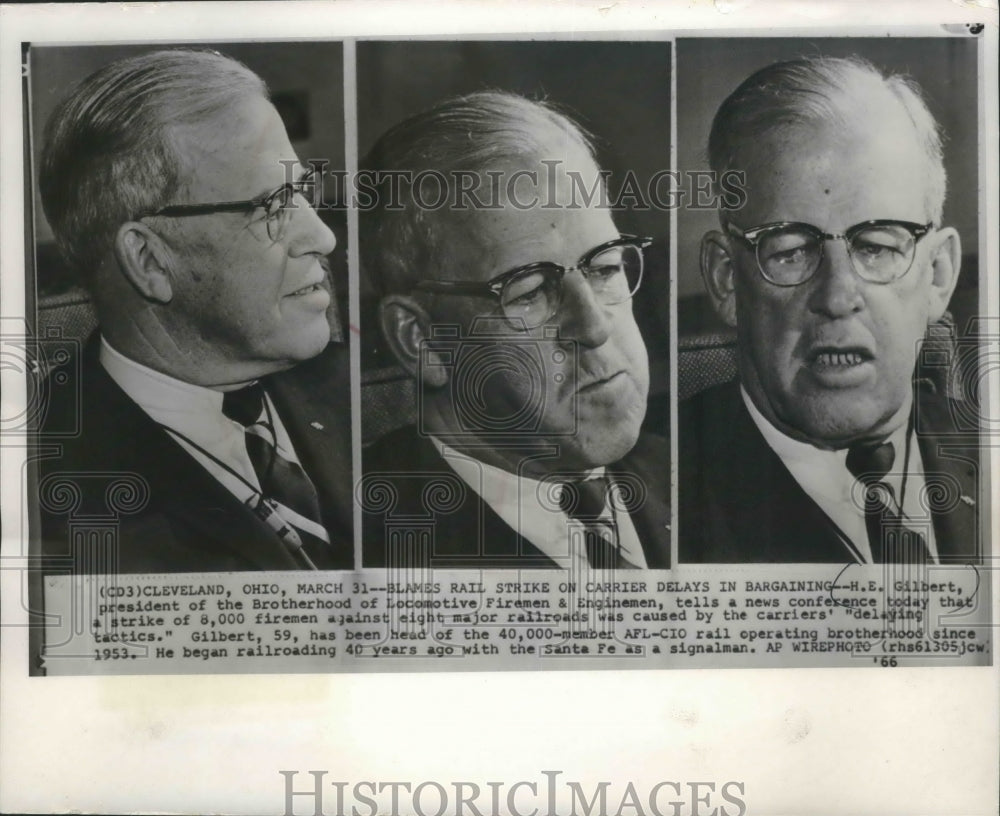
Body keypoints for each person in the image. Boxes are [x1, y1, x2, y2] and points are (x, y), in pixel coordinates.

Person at [36, 49, 353, 573]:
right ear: (149, 260)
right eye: (272, 207)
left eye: (303, 190)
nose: (322, 236)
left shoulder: (379, 398)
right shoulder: (42, 494)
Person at [678, 56, 980, 564]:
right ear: (727, 279)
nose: (838, 296)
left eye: (877, 246)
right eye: (791, 250)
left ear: (938, 275)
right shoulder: (657, 500)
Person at [359, 91, 669, 569]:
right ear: (421, 340)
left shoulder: (708, 479)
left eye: (605, 266)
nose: (594, 327)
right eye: (530, 292)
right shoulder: (364, 546)